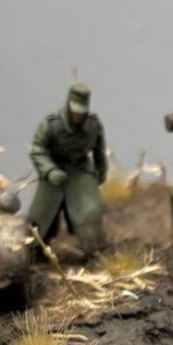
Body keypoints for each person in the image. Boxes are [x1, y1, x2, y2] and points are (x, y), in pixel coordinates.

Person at [28, 82, 108, 257]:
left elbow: (99, 151)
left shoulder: (93, 125)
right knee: (41, 215)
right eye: (75, 111)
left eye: (81, 112)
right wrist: (49, 170)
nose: (78, 115)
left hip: (80, 171)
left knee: (90, 212)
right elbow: (37, 149)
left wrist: (101, 172)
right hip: (54, 172)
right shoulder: (52, 124)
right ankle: (34, 250)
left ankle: (94, 249)